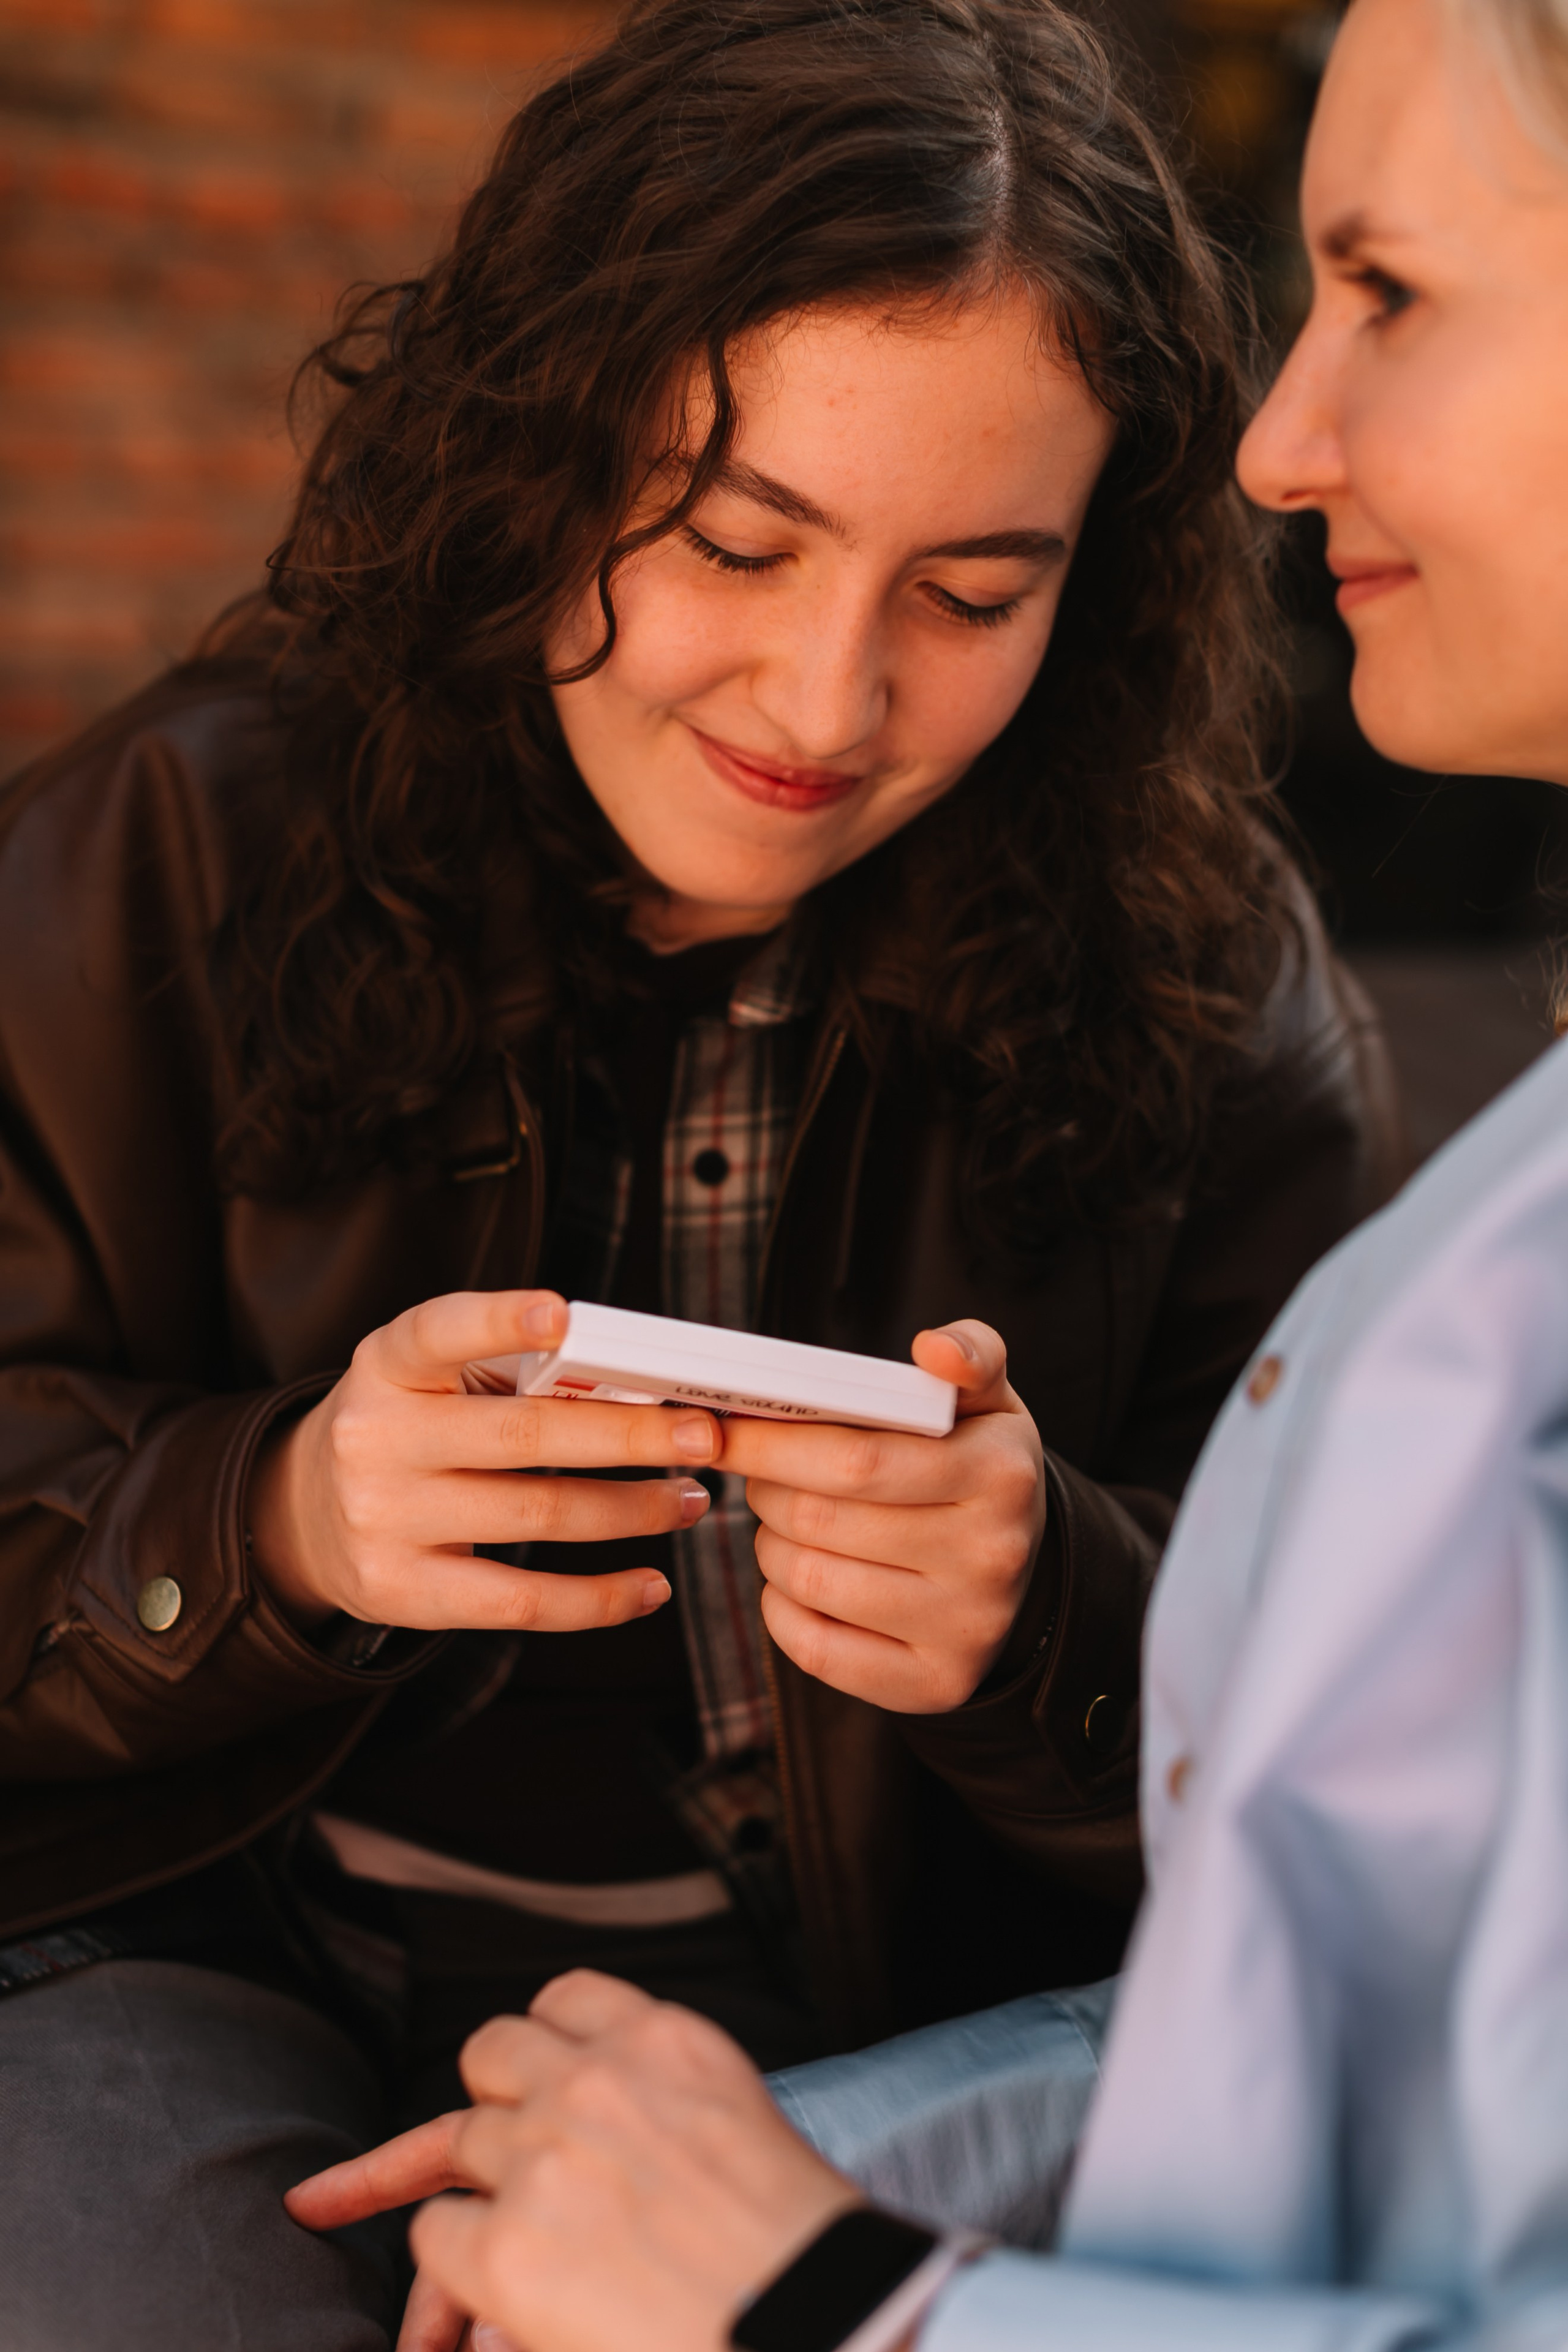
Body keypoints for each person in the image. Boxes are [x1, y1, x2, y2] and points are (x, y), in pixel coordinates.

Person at [0, 0, 1392, 2342]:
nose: (827, 704)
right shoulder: (151, 860)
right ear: (539, 443)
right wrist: (275, 1532)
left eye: (971, 598)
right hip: (210, 1954)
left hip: (915, 2027)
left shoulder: (1203, 959)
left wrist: (1046, 1615)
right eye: (740, 542)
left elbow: (1395, 1770)